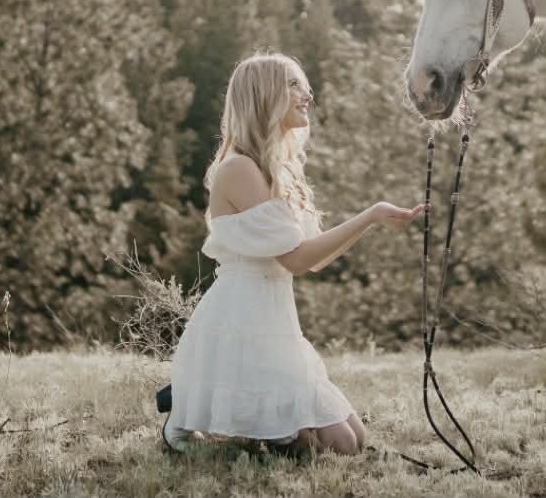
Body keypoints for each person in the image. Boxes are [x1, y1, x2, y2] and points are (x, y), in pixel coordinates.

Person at [164, 52, 424, 455]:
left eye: (304, 84)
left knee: (355, 440)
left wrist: (369, 221)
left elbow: (313, 260)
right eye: (293, 85)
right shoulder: (239, 169)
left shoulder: (280, 170)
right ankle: (193, 415)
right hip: (243, 322)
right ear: (263, 96)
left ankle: (256, 430)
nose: (308, 94)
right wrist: (369, 215)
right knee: (340, 445)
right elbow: (296, 259)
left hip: (277, 319)